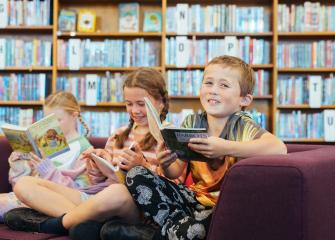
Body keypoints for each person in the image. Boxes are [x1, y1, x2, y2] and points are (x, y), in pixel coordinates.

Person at [118, 55, 288, 240]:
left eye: (224, 85)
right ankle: (175, 229)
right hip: (193, 200)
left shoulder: (241, 125)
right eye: (208, 83)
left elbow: (278, 148)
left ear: (244, 100)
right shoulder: (192, 122)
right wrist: (165, 162)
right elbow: (175, 173)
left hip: (222, 207)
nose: (213, 90)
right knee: (136, 174)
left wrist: (224, 147)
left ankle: (164, 233)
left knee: (197, 230)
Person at [6, 67, 184, 238]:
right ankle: (87, 221)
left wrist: (142, 167)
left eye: (141, 104)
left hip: (134, 207)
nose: (135, 110)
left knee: (116, 192)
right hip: (98, 199)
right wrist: (97, 165)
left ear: (161, 102)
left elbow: (175, 189)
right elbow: (98, 181)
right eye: (129, 104)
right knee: (24, 184)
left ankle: (56, 224)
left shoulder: (171, 136)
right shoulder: (118, 135)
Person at [0, 91, 92, 240]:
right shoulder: (46, 144)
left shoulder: (85, 150)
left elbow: (79, 193)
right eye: (47, 121)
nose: (52, 127)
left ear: (74, 116)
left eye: (58, 120)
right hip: (26, 196)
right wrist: (19, 166)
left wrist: (48, 171)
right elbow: (21, 186)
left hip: (49, 203)